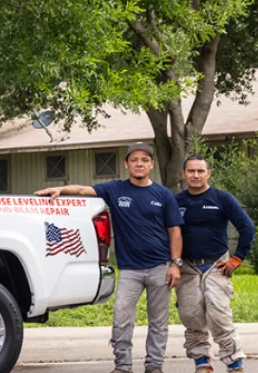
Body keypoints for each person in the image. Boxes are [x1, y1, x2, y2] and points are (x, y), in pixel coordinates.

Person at [35, 143, 183, 373]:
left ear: (151, 165)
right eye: (134, 160)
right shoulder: (115, 189)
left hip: (160, 267)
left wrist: (175, 264)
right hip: (130, 270)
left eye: (144, 160)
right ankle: (122, 366)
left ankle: (154, 366)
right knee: (121, 319)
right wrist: (60, 190)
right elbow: (84, 191)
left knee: (158, 321)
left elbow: (175, 231)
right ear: (126, 164)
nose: (139, 163)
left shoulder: (163, 194)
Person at [174, 154, 254, 373]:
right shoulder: (176, 201)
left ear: (208, 174)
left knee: (219, 315)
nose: (196, 175)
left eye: (200, 171)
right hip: (187, 267)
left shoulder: (222, 198)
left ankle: (234, 363)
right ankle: (202, 362)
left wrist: (237, 258)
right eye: (191, 171)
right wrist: (172, 262)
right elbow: (167, 233)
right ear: (184, 174)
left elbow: (247, 228)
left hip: (216, 266)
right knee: (191, 316)